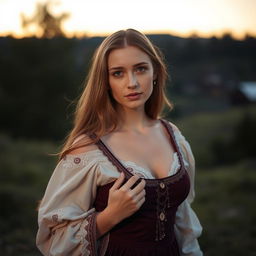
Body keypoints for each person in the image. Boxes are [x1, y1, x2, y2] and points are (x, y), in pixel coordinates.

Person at [36, 28, 203, 256]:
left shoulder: (173, 135)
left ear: (155, 72)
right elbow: (54, 237)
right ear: (105, 81)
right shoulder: (88, 149)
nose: (132, 82)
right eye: (118, 73)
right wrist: (109, 216)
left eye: (140, 69)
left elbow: (183, 221)